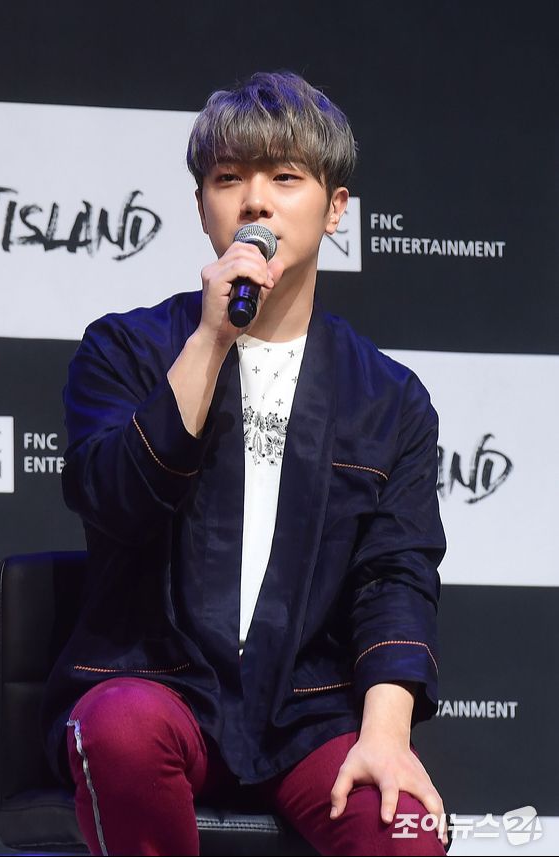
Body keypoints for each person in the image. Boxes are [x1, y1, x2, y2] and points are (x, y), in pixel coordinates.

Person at [41, 71, 448, 856]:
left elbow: (395, 576)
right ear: (203, 208)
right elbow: (116, 500)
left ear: (335, 208)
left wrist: (387, 734)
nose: (256, 201)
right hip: (158, 683)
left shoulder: (389, 398)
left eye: (285, 178)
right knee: (120, 731)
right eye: (230, 179)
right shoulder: (124, 350)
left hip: (307, 712)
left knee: (403, 824)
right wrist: (211, 338)